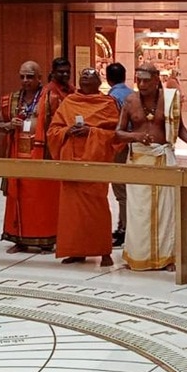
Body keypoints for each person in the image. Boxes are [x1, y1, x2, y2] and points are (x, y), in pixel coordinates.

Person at [116, 62, 187, 271]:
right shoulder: (130, 100)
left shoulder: (169, 99)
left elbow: (179, 128)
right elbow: (119, 132)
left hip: (163, 158)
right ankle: (138, 255)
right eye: (139, 80)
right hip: (139, 160)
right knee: (139, 211)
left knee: (167, 211)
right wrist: (136, 136)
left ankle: (168, 257)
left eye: (146, 80)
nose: (142, 85)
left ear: (156, 79)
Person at [49, 68, 124, 267]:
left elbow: (116, 135)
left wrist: (91, 132)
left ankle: (104, 251)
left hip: (95, 163)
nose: (86, 77)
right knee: (71, 211)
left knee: (97, 209)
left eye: (90, 75)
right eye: (83, 75)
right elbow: (53, 130)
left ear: (99, 82)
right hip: (71, 164)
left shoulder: (107, 103)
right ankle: (76, 251)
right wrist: (67, 131)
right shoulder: (69, 102)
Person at [0, 57, 72, 253]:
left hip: (43, 154)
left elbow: (61, 126)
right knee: (18, 198)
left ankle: (45, 240)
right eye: (22, 77)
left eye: (30, 77)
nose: (25, 80)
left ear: (40, 78)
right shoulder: (11, 99)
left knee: (42, 200)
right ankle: (19, 240)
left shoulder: (51, 98)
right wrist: (9, 125)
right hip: (17, 155)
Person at [106, 62, 133, 247]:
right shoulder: (132, 94)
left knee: (120, 189)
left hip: (119, 146)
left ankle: (124, 228)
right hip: (135, 145)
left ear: (108, 79)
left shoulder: (112, 98)